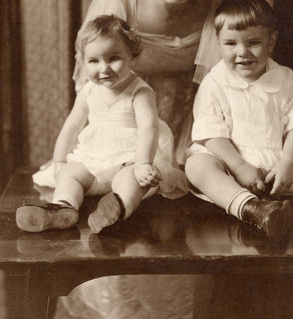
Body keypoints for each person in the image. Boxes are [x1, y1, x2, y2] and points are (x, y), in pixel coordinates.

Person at [54, 0, 241, 318]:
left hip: (197, 120)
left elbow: (225, 80)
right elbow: (93, 78)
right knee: (123, 239)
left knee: (188, 235)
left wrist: (203, 147)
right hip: (128, 124)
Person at [185, 0, 293, 242]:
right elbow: (210, 134)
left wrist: (288, 163)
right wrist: (239, 167)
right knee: (197, 166)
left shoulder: (286, 78)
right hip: (233, 169)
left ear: (271, 42)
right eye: (230, 44)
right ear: (218, 43)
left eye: (253, 43)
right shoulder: (214, 82)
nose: (242, 52)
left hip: (279, 168)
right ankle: (254, 209)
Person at [16, 15, 187, 233]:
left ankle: (118, 207)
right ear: (83, 61)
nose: (104, 68)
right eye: (94, 61)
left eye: (113, 58)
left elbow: (148, 128)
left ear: (133, 58)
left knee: (133, 180)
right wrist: (59, 160)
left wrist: (143, 163)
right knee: (70, 173)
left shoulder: (140, 92)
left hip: (130, 157)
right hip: (93, 159)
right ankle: (63, 208)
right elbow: (72, 125)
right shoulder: (89, 90)